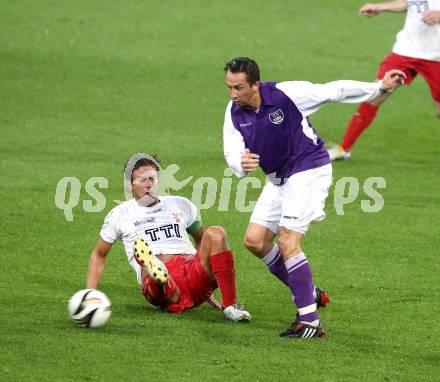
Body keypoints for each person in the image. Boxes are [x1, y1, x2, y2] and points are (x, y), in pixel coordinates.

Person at [222, 57, 404, 338]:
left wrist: (380, 87)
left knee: (288, 241)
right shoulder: (234, 112)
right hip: (278, 178)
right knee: (255, 241)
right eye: (229, 87)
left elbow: (334, 90)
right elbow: (231, 150)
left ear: (256, 84)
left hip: (309, 169)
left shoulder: (286, 94)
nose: (233, 95)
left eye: (238, 88)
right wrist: (240, 163)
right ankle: (309, 291)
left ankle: (310, 321)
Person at [86, 153, 251, 322]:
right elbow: (99, 255)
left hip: (190, 270)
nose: (149, 185)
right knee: (161, 279)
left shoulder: (181, 204)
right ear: (130, 185)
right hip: (156, 282)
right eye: (142, 180)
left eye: (152, 179)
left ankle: (230, 306)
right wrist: (89, 295)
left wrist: (206, 278)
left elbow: (202, 240)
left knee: (216, 233)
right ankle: (159, 274)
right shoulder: (120, 214)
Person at [328, 0, 440, 161]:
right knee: (376, 94)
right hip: (405, 51)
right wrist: (380, 7)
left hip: (436, 58)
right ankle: (344, 148)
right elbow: (408, 3)